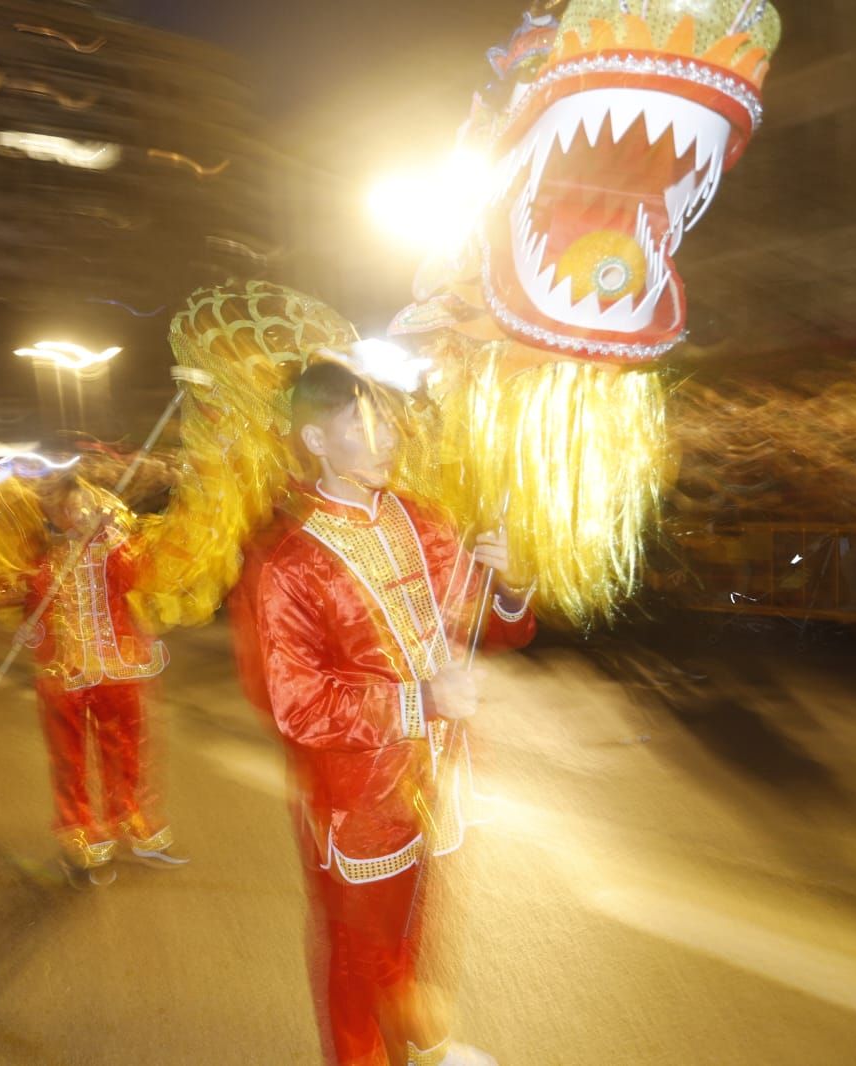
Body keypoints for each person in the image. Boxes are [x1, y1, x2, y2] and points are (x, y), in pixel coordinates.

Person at [231, 355, 535, 1066]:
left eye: (388, 420)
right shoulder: (288, 561)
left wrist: (513, 585)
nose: (389, 437)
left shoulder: (420, 519)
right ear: (315, 442)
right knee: (358, 957)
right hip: (357, 799)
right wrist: (421, 699)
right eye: (364, 425)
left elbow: (491, 628)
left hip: (436, 776)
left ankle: (418, 1043)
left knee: (420, 935)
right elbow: (296, 705)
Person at [26, 476, 187, 885]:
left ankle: (132, 823)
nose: (76, 515)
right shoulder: (50, 562)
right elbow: (39, 616)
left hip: (118, 670)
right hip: (67, 676)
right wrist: (35, 634)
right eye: (67, 509)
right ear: (56, 516)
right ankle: (80, 833)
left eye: (83, 506)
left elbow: (141, 577)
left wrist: (112, 534)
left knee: (127, 754)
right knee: (70, 761)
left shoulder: (115, 549)